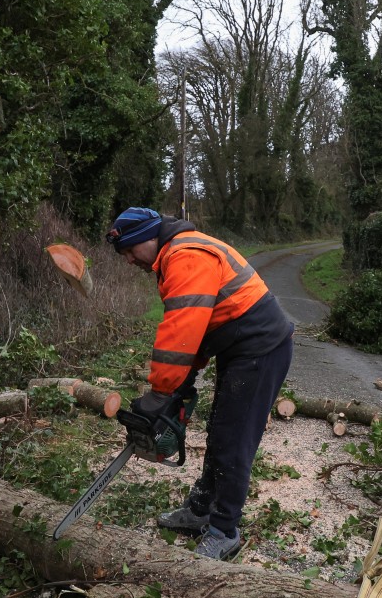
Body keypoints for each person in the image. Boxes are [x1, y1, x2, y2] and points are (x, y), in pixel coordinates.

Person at [107, 207, 294, 560]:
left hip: (260, 347)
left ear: (148, 238)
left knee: (233, 439)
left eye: (130, 251)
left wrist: (162, 390)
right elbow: (200, 328)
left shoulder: (185, 256)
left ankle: (225, 530)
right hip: (239, 345)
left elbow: (181, 331)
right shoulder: (176, 254)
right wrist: (184, 380)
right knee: (221, 431)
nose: (130, 260)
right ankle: (200, 509)